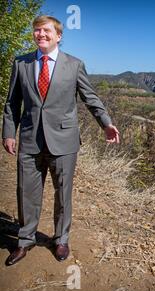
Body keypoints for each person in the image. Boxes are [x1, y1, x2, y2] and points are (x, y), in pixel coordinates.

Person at [2, 15, 120, 266]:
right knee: (26, 192)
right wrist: (9, 133)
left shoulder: (74, 65)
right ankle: (25, 240)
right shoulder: (21, 63)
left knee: (62, 193)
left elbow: (91, 98)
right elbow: (12, 103)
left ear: (58, 36)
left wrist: (106, 123)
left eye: (46, 31)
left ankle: (61, 239)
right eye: (36, 30)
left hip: (64, 142)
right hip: (30, 139)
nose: (40, 34)